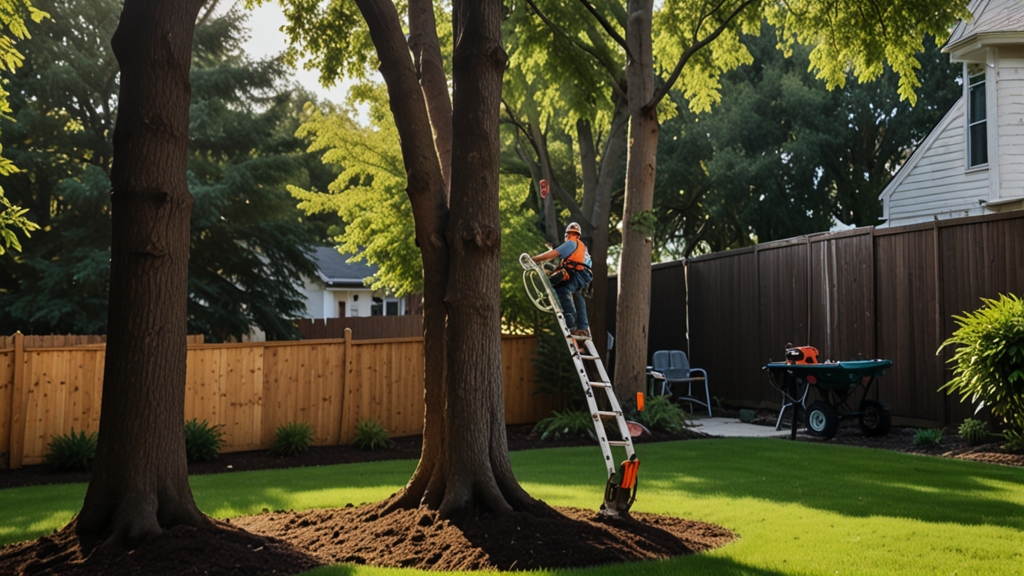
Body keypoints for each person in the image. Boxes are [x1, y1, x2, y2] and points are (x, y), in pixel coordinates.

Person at [532, 222, 593, 338]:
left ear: (568, 235)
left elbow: (552, 254)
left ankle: (571, 324)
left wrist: (535, 259)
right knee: (578, 296)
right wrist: (552, 269)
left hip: (577, 274)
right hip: (585, 276)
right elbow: (572, 263)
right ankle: (583, 327)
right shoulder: (582, 247)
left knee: (562, 291)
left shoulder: (570, 243)